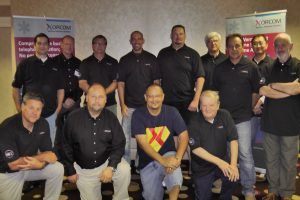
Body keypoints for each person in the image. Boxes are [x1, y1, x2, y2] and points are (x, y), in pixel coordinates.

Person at [62, 84, 130, 200]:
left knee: (124, 169)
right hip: (84, 169)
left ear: (105, 100)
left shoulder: (111, 118)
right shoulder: (73, 118)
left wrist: (111, 167)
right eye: (93, 96)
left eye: (100, 97)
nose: (97, 100)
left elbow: (119, 144)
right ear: (86, 98)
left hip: (105, 163)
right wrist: (70, 170)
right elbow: (65, 146)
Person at [213, 33, 261, 200]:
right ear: (227, 48)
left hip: (243, 118)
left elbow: (256, 91)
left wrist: (251, 108)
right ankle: (227, 183)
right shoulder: (219, 67)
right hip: (224, 118)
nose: (234, 49)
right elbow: (215, 92)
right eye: (231, 46)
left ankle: (248, 189)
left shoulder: (251, 66)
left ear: (243, 47)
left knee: (245, 154)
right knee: (224, 153)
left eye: (237, 46)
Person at [0, 92, 64, 200]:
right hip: (8, 173)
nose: (35, 112)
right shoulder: (7, 127)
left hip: (30, 166)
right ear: (22, 106)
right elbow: (13, 164)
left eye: (38, 109)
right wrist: (40, 158)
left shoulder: (43, 124)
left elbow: (49, 154)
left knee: (57, 168)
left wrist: (41, 165)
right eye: (31, 108)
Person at [259, 33, 300, 200]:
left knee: (289, 162)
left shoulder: (298, 65)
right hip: (270, 123)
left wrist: (274, 86)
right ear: (274, 47)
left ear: (291, 46)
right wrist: (288, 89)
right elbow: (263, 90)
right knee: (271, 160)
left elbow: (298, 89)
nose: (280, 47)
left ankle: (287, 193)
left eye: (284, 44)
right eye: (277, 45)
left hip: (291, 123)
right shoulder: (268, 66)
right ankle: (273, 190)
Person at [131, 84, 189, 200]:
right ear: (145, 97)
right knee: (151, 196)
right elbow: (143, 143)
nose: (154, 100)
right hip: (148, 160)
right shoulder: (138, 114)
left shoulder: (172, 112)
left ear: (163, 97)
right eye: (150, 96)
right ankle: (161, 181)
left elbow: (184, 136)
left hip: (168, 155)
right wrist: (163, 162)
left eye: (157, 96)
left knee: (175, 177)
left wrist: (177, 159)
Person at [12, 32, 65, 146]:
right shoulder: (25, 64)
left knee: (48, 145)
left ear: (49, 46)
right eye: (39, 43)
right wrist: (18, 108)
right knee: (28, 145)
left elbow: (60, 89)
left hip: (50, 114)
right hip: (29, 114)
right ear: (34, 45)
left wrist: (59, 107)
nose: (42, 46)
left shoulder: (56, 65)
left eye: (45, 43)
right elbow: (16, 87)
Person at [118, 31, 160, 163]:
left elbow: (156, 83)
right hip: (128, 107)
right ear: (130, 41)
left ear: (143, 40)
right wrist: (122, 105)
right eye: (134, 39)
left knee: (147, 138)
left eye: (139, 38)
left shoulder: (151, 58)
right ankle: (125, 165)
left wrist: (154, 104)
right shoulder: (124, 60)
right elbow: (120, 84)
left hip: (147, 107)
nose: (136, 41)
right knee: (124, 138)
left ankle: (141, 163)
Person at [188, 90, 239, 200]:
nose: (207, 109)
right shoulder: (194, 120)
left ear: (218, 105)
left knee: (234, 177)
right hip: (202, 167)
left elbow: (233, 140)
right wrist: (220, 162)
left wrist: (233, 165)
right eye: (204, 105)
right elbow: (196, 149)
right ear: (200, 106)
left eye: (211, 105)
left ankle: (225, 197)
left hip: (222, 161)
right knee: (203, 197)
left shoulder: (225, 115)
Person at [157, 24, 205, 123]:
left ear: (185, 36)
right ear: (171, 36)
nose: (178, 36)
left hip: (187, 102)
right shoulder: (163, 53)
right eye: (175, 34)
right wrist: (158, 99)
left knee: (189, 133)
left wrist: (196, 100)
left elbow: (200, 78)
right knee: (168, 134)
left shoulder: (193, 54)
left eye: (181, 34)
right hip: (167, 102)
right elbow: (157, 79)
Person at [53, 35, 82, 158]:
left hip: (74, 103)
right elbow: (51, 83)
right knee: (57, 131)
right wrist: (63, 101)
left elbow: (81, 84)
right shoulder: (53, 62)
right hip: (58, 103)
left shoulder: (79, 63)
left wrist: (73, 99)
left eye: (71, 44)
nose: (69, 47)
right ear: (61, 45)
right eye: (66, 44)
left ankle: (72, 158)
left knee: (74, 131)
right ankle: (57, 159)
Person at [79, 35, 118, 115]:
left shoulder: (113, 62)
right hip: (90, 104)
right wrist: (95, 95)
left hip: (109, 104)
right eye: (97, 43)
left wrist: (102, 94)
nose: (100, 46)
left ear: (105, 46)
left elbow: (115, 83)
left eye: (102, 44)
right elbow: (82, 83)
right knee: (88, 127)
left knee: (110, 127)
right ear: (92, 46)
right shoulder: (85, 62)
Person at [251, 34, 273, 136]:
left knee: (268, 144)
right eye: (255, 44)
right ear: (252, 47)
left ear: (267, 45)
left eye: (260, 43)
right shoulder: (247, 64)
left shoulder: (273, 65)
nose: (258, 46)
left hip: (268, 111)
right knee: (248, 142)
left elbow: (274, 88)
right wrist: (253, 106)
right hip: (249, 113)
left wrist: (260, 102)